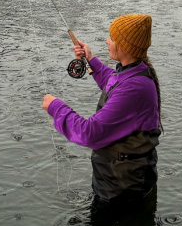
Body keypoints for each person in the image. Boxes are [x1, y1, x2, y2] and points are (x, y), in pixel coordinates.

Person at [42, 13, 162, 209]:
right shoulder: (135, 72)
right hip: (122, 181)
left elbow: (89, 133)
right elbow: (113, 82)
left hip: (122, 192)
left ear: (125, 47)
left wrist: (55, 107)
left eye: (112, 38)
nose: (107, 41)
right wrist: (90, 59)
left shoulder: (134, 89)